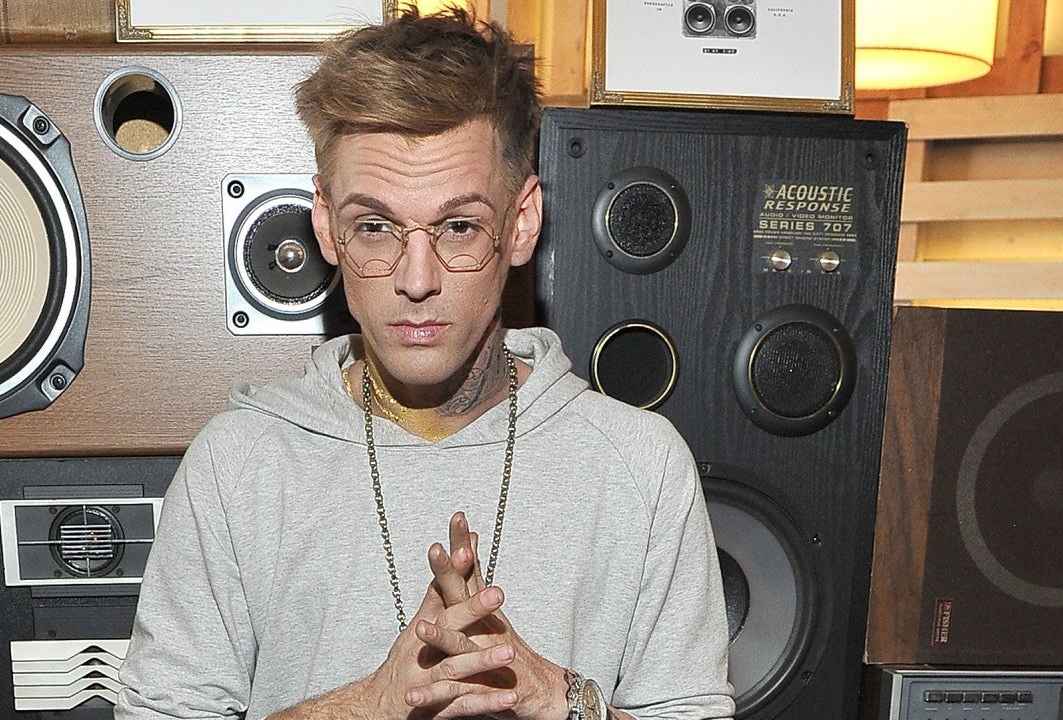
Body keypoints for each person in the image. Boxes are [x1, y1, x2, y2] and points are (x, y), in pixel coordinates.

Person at [115, 7, 733, 720]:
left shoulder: (640, 465)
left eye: (459, 226)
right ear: (326, 225)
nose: (416, 280)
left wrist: (553, 698)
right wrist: (371, 704)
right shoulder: (241, 463)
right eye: (376, 227)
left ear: (522, 223)